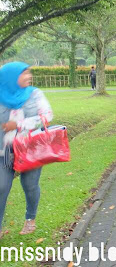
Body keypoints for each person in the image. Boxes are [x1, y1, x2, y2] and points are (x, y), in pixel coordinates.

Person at [0, 62, 53, 238]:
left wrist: (20, 124)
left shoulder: (35, 94)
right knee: (1, 187)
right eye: (24, 73)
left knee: (30, 185)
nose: (29, 76)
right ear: (11, 78)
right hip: (5, 150)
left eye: (29, 73)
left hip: (29, 149)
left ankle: (30, 219)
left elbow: (47, 116)